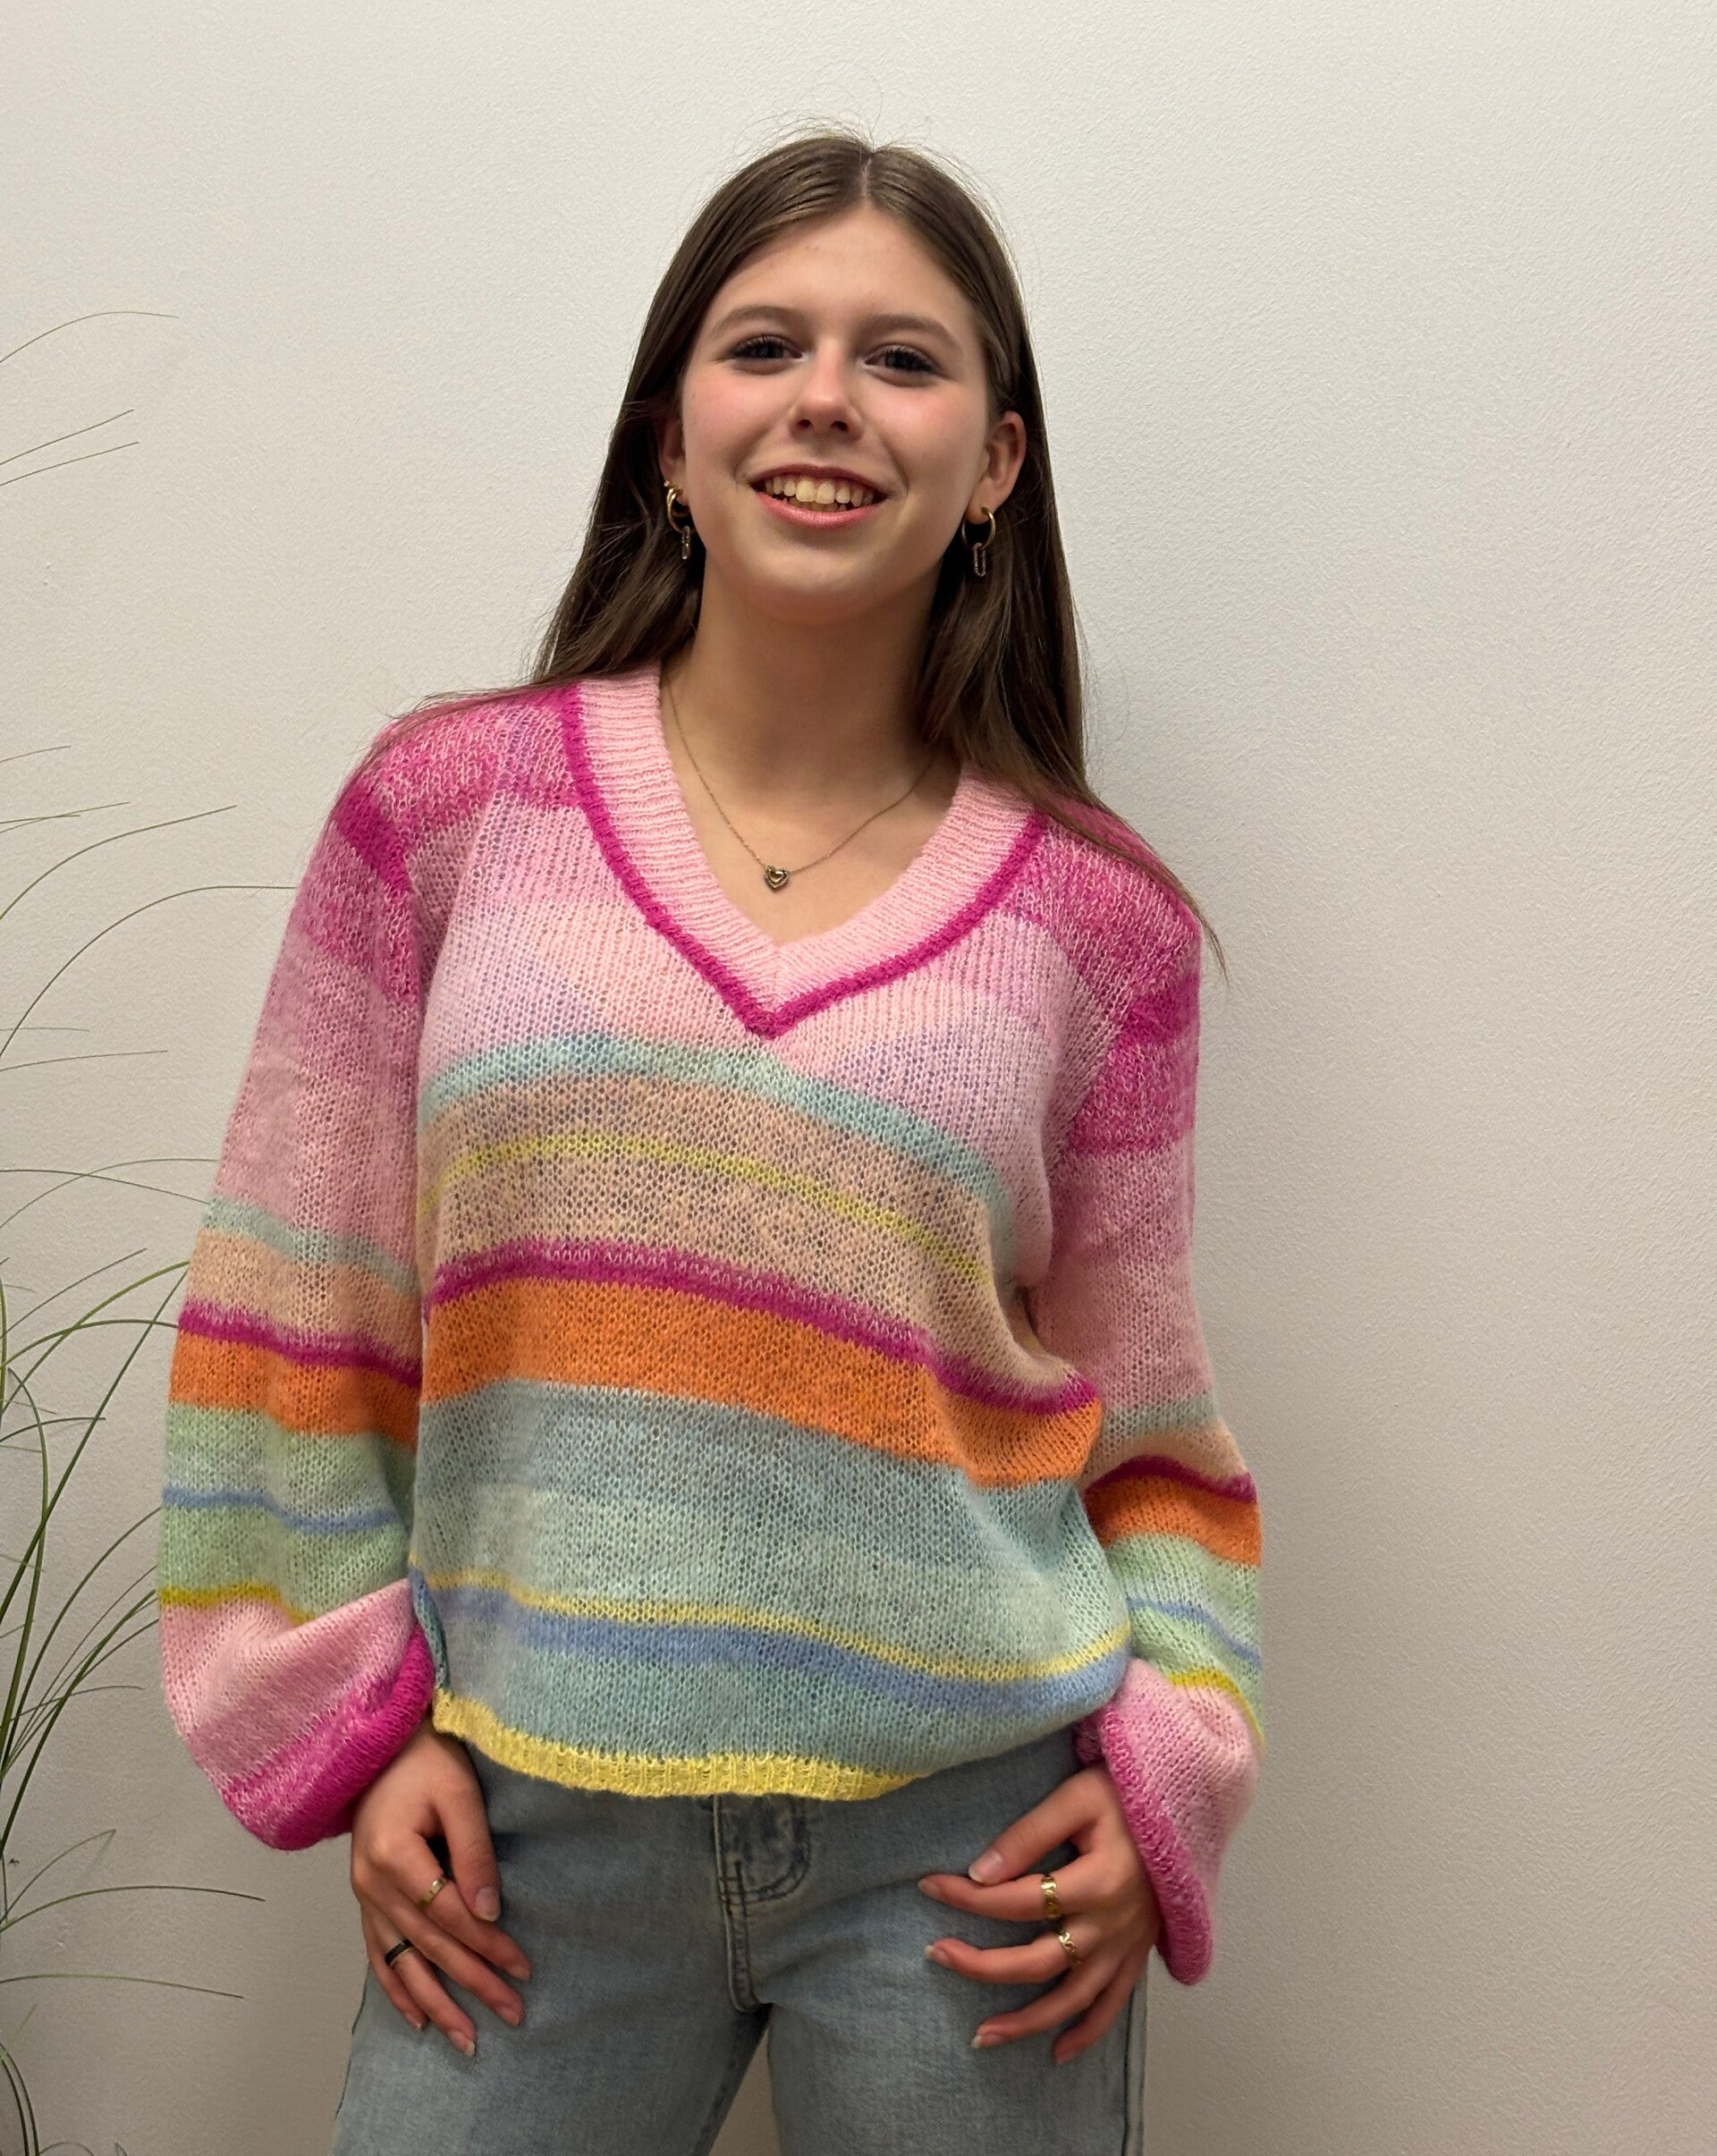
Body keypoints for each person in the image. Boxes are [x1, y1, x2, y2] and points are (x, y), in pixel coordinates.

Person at [156, 129, 1264, 2155]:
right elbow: (295, 1314)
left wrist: (1162, 1764)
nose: (828, 397)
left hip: (973, 1860)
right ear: (671, 432)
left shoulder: (1100, 929)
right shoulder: (444, 818)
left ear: (997, 462)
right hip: (522, 1848)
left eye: (902, 359)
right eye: (766, 345)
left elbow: (1154, 1425)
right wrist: (348, 1722)